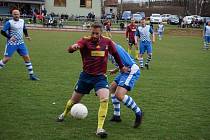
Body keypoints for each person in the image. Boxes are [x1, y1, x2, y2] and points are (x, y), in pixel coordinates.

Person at [56, 23, 127, 138]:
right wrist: (73, 47)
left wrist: (121, 66)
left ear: (101, 33)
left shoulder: (107, 42)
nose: (94, 35)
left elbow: (116, 54)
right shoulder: (85, 40)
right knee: (74, 100)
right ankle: (64, 114)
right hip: (85, 77)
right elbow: (70, 49)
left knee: (104, 99)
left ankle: (99, 128)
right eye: (92, 33)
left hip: (100, 77)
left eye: (97, 33)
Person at [108, 43, 143, 128]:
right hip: (123, 71)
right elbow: (123, 62)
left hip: (130, 71)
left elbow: (129, 63)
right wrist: (116, 70)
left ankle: (139, 112)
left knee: (119, 95)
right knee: (112, 88)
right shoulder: (107, 49)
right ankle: (117, 116)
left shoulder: (115, 49)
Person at [0, 9, 39, 80]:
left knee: (26, 57)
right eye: (15, 14)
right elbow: (2, 32)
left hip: (21, 43)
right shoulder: (9, 22)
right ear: (12, 15)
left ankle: (31, 75)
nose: (16, 15)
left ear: (19, 14)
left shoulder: (22, 21)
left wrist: (27, 36)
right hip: (12, 43)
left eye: (17, 14)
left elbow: (24, 29)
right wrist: (10, 37)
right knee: (6, 59)